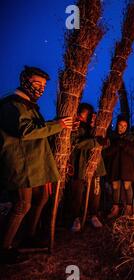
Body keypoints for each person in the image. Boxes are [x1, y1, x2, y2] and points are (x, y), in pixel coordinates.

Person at [0, 66, 73, 264]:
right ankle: (4, 247)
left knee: (42, 197)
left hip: (34, 163)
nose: (40, 89)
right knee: (23, 204)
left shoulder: (29, 105)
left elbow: (36, 128)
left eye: (43, 86)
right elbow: (26, 131)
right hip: (20, 164)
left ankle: (28, 236)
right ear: (25, 81)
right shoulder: (12, 105)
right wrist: (57, 125)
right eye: (36, 84)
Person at [69, 104, 108, 232]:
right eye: (82, 113)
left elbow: (104, 142)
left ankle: (93, 215)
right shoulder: (75, 127)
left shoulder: (96, 127)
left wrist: (104, 141)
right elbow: (76, 144)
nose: (83, 116)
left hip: (95, 164)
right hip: (79, 165)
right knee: (77, 192)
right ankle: (76, 217)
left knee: (95, 192)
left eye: (87, 113)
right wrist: (95, 141)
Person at [104, 115, 134, 218]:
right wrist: (116, 145)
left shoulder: (131, 137)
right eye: (120, 125)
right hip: (115, 165)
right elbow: (106, 153)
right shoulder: (112, 137)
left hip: (127, 166)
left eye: (125, 126)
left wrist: (124, 144)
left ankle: (129, 209)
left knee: (127, 186)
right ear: (117, 125)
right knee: (115, 186)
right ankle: (115, 208)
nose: (122, 128)